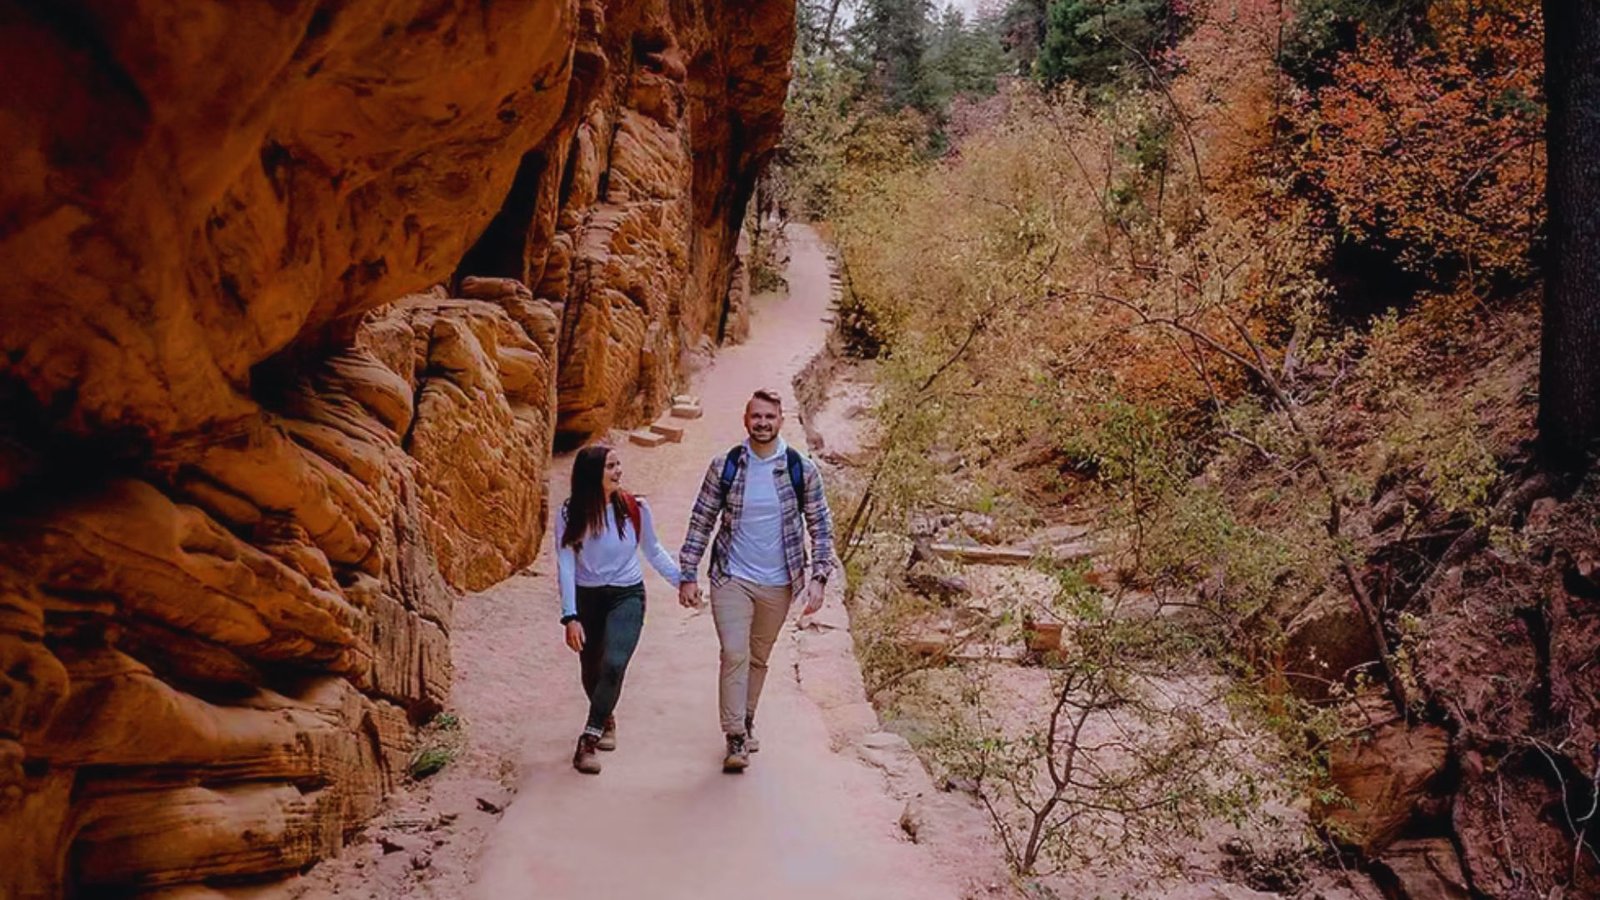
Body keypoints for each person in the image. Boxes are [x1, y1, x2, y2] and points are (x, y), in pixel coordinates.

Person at [678, 389, 836, 772]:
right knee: (735, 653)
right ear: (745, 420)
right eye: (756, 417)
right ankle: (734, 736)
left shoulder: (801, 469)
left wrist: (819, 577)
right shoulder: (726, 466)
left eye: (769, 417)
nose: (762, 423)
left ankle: (746, 720)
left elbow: (820, 526)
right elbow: (702, 520)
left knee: (758, 657)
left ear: (781, 420)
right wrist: (688, 573)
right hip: (731, 575)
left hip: (779, 581)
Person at [557, 445, 681, 774]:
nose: (618, 471)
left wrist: (681, 581)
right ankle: (606, 715)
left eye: (618, 464)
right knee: (592, 669)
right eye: (610, 466)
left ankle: (588, 738)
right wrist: (570, 616)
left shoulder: (634, 508)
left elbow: (653, 550)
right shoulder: (571, 513)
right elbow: (566, 564)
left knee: (614, 663)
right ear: (591, 474)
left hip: (627, 595)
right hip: (587, 599)